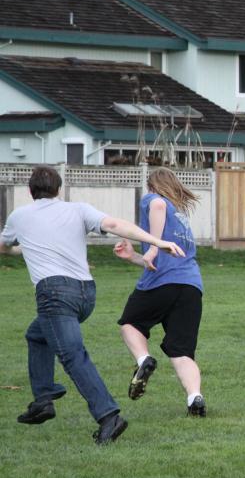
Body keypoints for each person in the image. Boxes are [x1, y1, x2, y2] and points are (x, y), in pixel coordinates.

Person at [0, 165, 185, 444]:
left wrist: (19, 245)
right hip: (86, 294)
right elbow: (115, 225)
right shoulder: (79, 209)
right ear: (59, 189)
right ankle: (43, 398)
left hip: (54, 294)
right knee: (37, 335)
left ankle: (108, 416)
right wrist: (157, 241)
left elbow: (4, 245)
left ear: (30, 190)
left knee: (73, 355)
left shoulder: (20, 216)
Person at [113, 167, 207, 416]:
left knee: (130, 324)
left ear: (153, 185)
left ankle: (144, 360)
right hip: (191, 288)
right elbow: (156, 262)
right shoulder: (180, 217)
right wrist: (133, 256)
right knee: (182, 352)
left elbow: (157, 206)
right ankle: (195, 398)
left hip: (161, 284)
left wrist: (153, 246)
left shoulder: (153, 199)